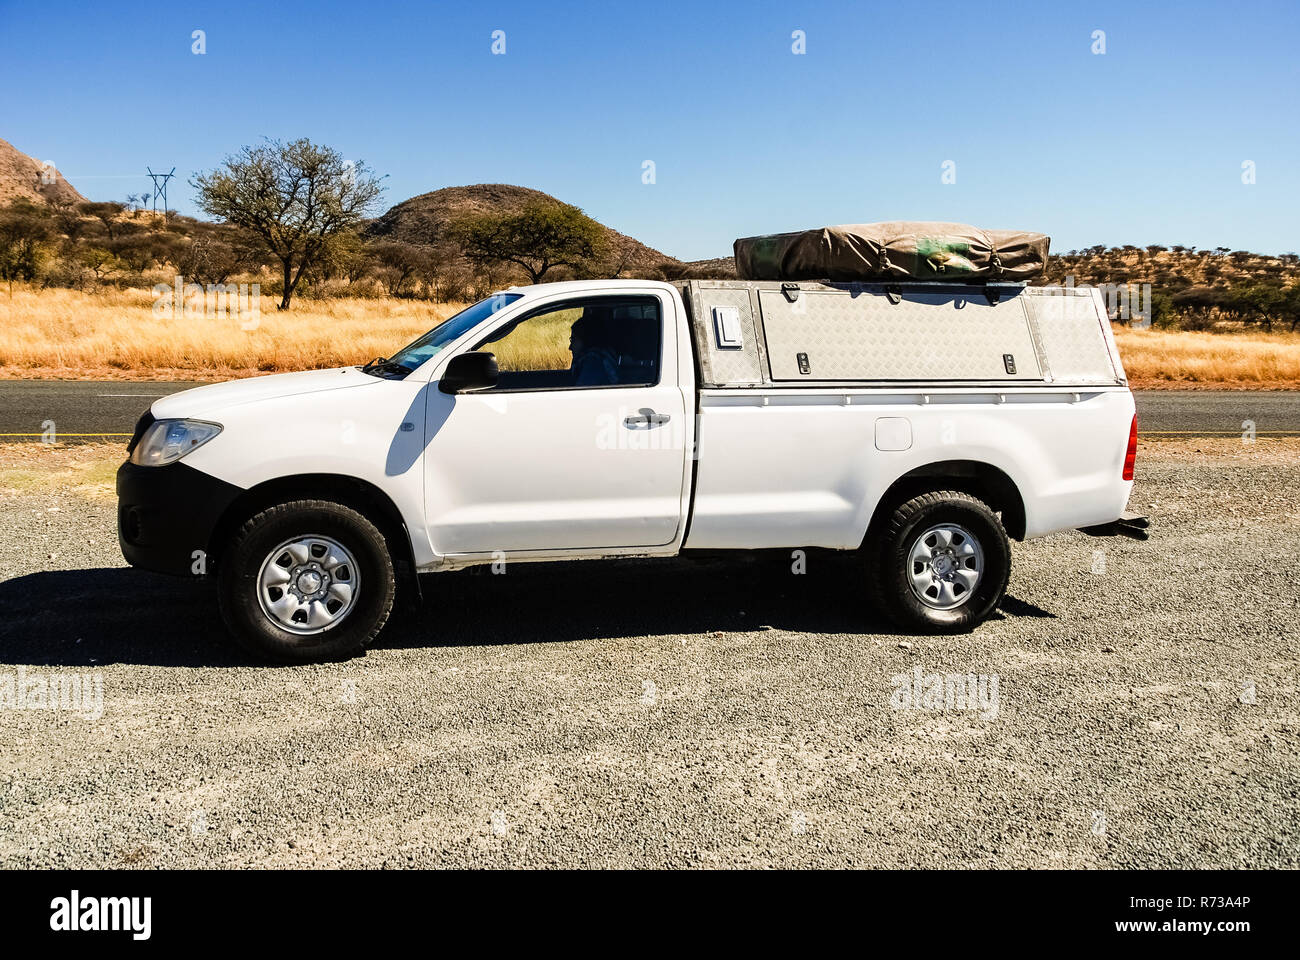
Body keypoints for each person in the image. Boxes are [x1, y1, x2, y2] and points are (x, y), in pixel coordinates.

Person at [569, 316, 619, 386]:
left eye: (573, 340)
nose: (570, 347)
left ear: (585, 339)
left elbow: (581, 393)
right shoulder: (597, 359)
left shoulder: (593, 363)